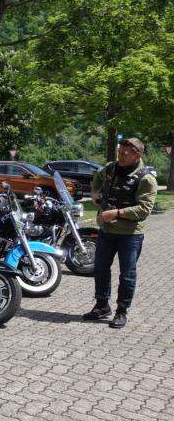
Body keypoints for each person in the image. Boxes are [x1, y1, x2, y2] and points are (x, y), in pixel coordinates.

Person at [84, 137, 157, 328]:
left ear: (137, 155)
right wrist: (94, 191)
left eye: (124, 154)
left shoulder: (146, 179)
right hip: (106, 230)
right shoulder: (111, 168)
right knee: (100, 269)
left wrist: (117, 213)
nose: (120, 156)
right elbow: (98, 176)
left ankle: (121, 311)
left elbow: (144, 209)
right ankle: (102, 306)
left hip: (130, 235)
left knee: (127, 274)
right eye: (119, 152)